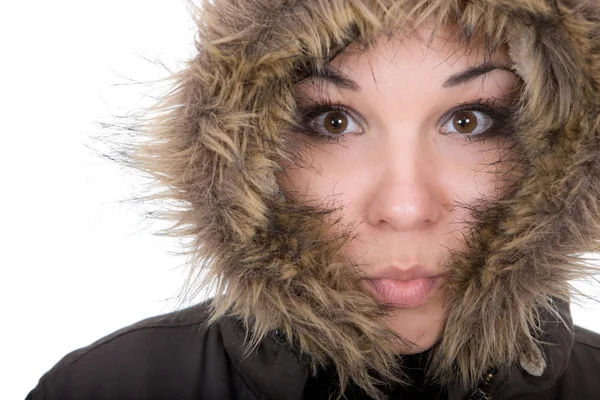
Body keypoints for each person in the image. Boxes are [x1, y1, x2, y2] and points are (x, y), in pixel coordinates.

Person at [27, 0, 600, 399]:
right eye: (333, 121)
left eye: (469, 121)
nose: (404, 208)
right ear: (244, 151)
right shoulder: (104, 387)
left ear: (562, 152)